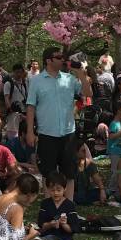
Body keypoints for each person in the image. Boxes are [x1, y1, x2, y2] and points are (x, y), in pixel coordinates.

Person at [25, 47, 93, 201]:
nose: (63, 59)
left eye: (63, 57)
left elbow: (88, 94)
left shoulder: (69, 79)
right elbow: (30, 106)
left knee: (69, 172)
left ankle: (68, 206)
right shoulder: (36, 81)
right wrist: (30, 131)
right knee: (47, 172)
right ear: (48, 60)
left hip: (68, 133)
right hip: (47, 133)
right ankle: (50, 206)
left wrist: (81, 74)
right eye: (59, 57)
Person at [37, 172, 80, 240]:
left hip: (65, 239)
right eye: (52, 190)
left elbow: (73, 228)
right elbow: (41, 225)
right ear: (48, 189)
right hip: (48, 238)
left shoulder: (69, 205)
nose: (55, 193)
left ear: (65, 189)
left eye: (59, 190)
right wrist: (50, 224)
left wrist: (64, 224)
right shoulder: (45, 203)